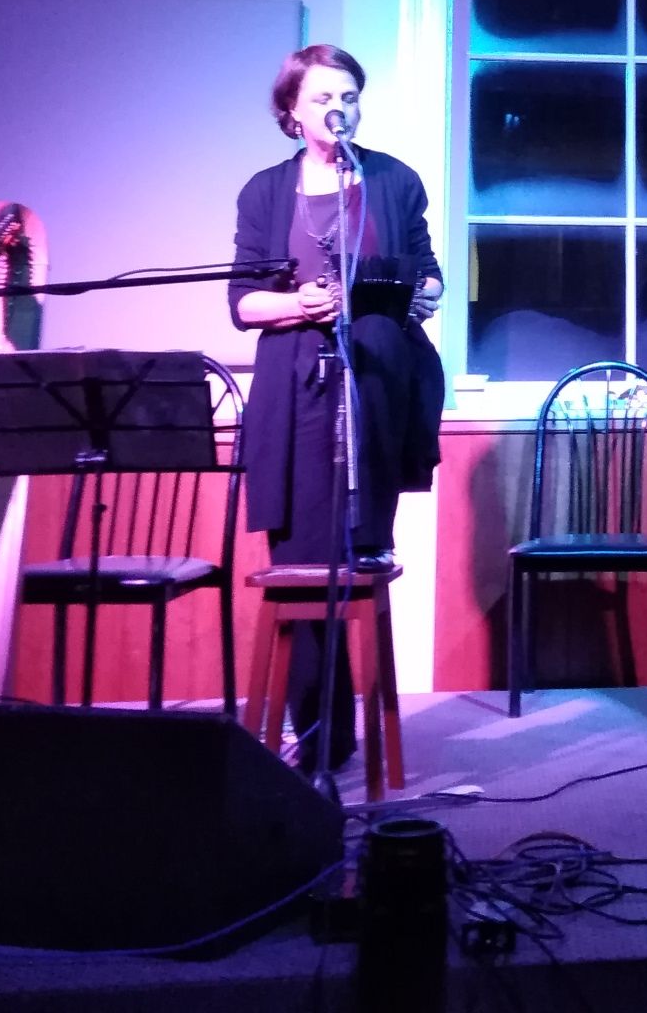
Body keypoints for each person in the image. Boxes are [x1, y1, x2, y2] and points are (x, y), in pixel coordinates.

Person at [229, 44, 444, 770]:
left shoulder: (393, 179)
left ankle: (355, 733)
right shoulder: (265, 192)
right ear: (291, 110)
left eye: (349, 96)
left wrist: (424, 294)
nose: (339, 109)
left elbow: (430, 275)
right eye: (323, 97)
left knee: (357, 555)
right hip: (293, 391)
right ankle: (319, 738)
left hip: (376, 385)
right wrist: (299, 304)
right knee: (301, 561)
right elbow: (243, 303)